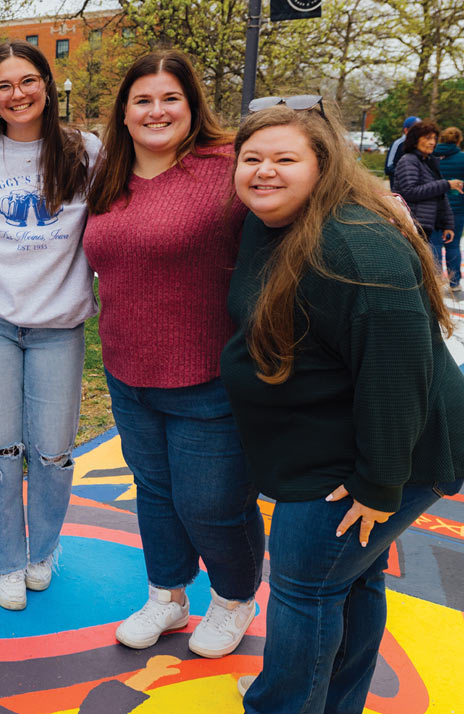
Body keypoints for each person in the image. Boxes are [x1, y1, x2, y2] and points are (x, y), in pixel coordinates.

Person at [223, 100, 464, 714]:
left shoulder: (355, 248)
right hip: (333, 437)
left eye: (285, 158)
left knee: (306, 585)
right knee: (353, 579)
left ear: (324, 166)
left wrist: (379, 485)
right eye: (251, 158)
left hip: (396, 451)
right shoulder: (269, 222)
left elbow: (395, 373)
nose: (264, 171)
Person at [82, 49, 264, 658]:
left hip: (207, 373)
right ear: (124, 112)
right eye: (143, 100)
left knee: (212, 502)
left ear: (192, 107)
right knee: (154, 490)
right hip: (128, 369)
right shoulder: (109, 176)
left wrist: (381, 206)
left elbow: (301, 189)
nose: (156, 110)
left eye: (170, 99)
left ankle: (236, 599)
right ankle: (168, 596)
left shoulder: (226, 166)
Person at [0, 40, 100, 611]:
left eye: (28, 80)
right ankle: (7, 561)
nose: (18, 94)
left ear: (47, 84)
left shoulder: (85, 150)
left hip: (59, 325)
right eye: (4, 85)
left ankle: (44, 550)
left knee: (52, 452)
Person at [392, 119, 463, 280]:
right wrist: (446, 184)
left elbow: (440, 197)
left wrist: (448, 224)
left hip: (431, 227)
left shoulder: (429, 162)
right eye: (427, 138)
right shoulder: (408, 160)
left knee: (432, 275)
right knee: (424, 275)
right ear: (415, 139)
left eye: (434, 138)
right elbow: (409, 192)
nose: (432, 142)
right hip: (416, 227)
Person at [435, 126, 464, 290]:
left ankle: (436, 281)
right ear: (459, 140)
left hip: (435, 208)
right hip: (457, 208)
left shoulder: (432, 157)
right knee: (453, 245)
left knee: (435, 244)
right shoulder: (462, 158)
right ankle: (454, 283)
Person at [384, 115, 421, 180]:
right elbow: (389, 167)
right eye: (416, 129)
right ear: (406, 130)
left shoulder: (421, 145)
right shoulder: (398, 144)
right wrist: (407, 175)